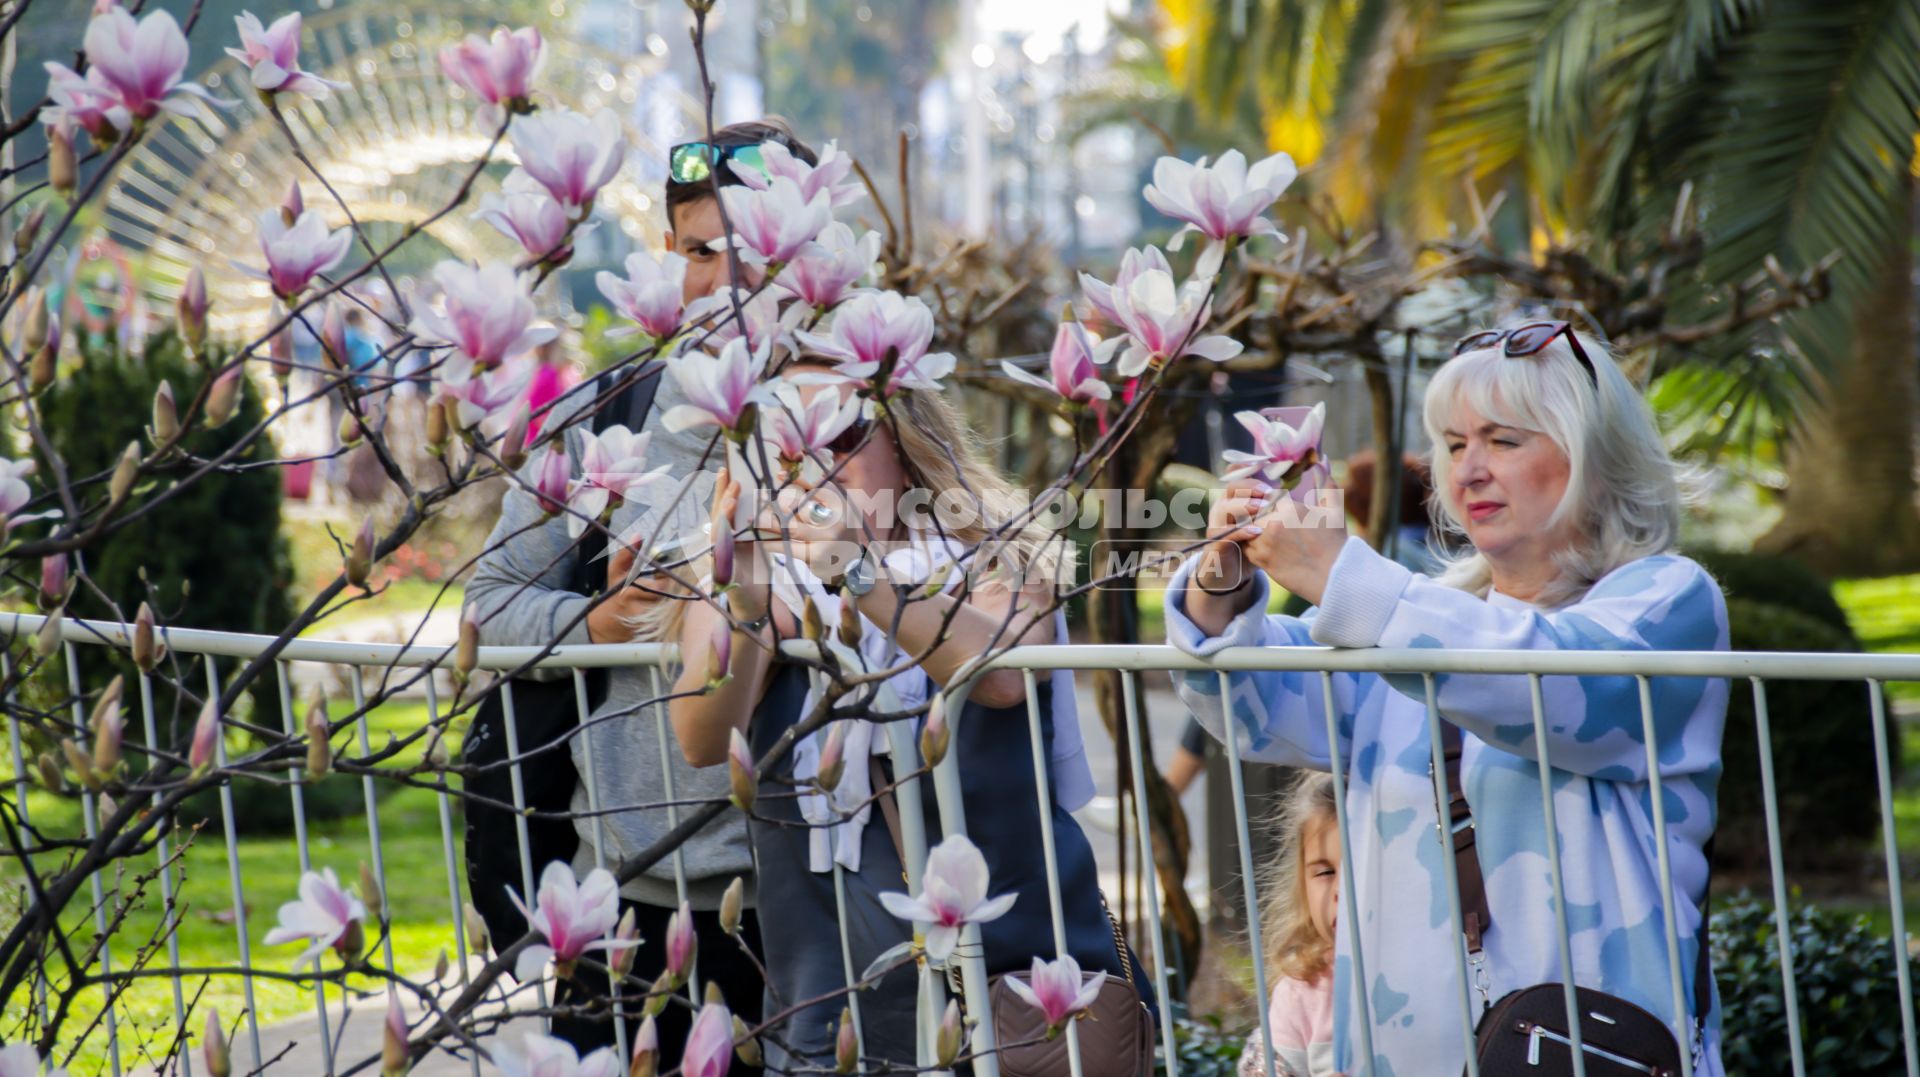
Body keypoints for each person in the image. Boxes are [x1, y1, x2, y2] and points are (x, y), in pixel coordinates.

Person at [1168, 322, 1729, 1074]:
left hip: (1588, 1050)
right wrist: (1221, 584)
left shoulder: (1669, 600)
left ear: (1594, 458)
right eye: (1454, 444)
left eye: (1503, 440)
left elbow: (1555, 685)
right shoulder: (1414, 613)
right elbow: (1253, 706)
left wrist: (1344, 577)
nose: (1468, 470)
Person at [647, 359, 1151, 1069]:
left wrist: (862, 579)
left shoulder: (995, 551)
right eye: (787, 441)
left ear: (906, 438)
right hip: (829, 990)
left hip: (1011, 985)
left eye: (842, 434)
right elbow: (700, 739)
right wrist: (746, 593)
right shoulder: (756, 578)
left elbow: (1002, 675)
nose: (813, 462)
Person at [462, 117, 826, 1065]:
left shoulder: (856, 413)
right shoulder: (599, 419)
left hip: (817, 890)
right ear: (671, 255)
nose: (733, 282)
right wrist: (604, 619)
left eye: (763, 253)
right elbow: (489, 601)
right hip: (628, 900)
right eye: (704, 251)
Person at [1240, 772, 1340, 1077]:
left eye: (1363, 867)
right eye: (1325, 873)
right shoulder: (1301, 993)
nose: (1342, 891)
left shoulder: (1445, 972)